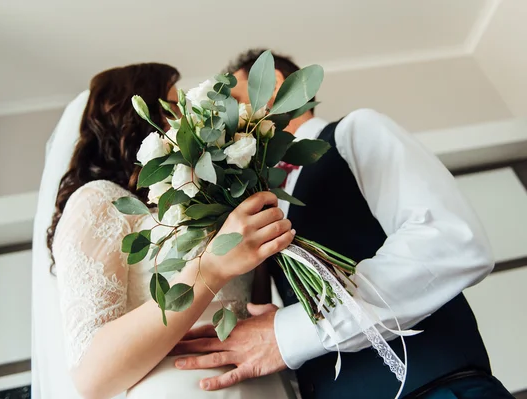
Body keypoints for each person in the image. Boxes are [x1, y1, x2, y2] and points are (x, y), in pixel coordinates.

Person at [171, 50, 515, 399]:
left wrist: (289, 332)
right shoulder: (263, 201)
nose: (227, 126)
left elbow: (451, 241)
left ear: (272, 84)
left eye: (235, 102)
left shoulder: (354, 132)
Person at [31, 63, 297, 399]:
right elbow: (92, 377)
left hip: (263, 385)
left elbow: (253, 309)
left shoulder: (213, 201)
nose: (186, 118)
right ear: (133, 118)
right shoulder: (99, 201)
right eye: (172, 107)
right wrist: (208, 269)